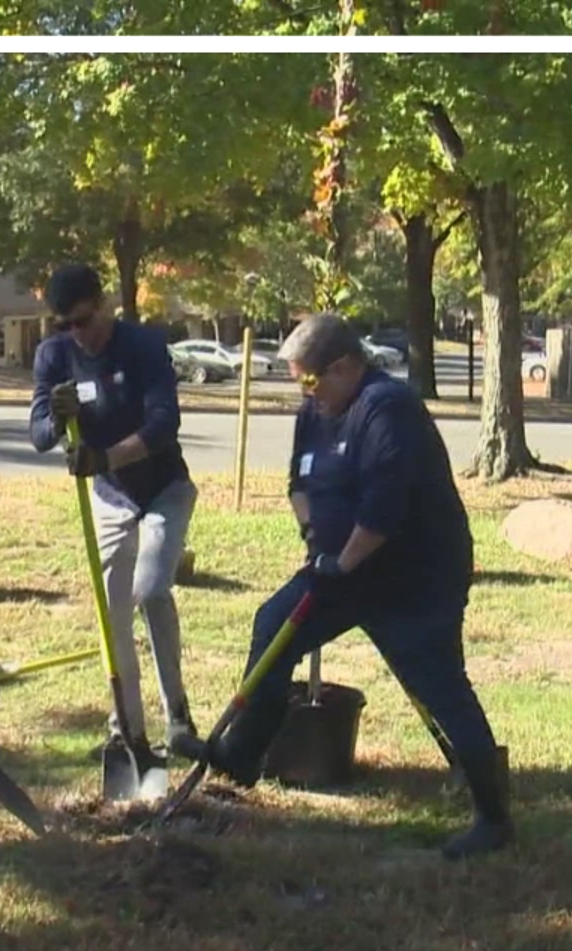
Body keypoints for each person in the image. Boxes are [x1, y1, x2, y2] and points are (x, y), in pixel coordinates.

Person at [171, 312, 514, 859]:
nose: (304, 392)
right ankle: (244, 753)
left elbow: (385, 506)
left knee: (440, 685)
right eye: (297, 380)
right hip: (341, 568)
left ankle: (492, 818)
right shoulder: (316, 409)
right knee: (273, 625)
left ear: (347, 365)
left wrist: (344, 559)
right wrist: (314, 538)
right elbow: (299, 482)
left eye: (309, 378)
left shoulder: (386, 408)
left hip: (415, 576)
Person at [28, 264, 199, 757]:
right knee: (113, 610)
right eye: (64, 325)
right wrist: (57, 419)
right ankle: (128, 727)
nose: (75, 335)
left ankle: (179, 718)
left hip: (164, 488)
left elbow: (165, 422)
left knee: (151, 590)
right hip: (108, 496)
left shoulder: (142, 345)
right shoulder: (54, 355)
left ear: (103, 305)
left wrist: (106, 456)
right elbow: (39, 435)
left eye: (82, 321)